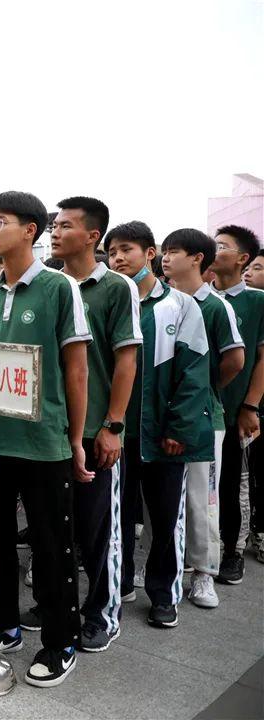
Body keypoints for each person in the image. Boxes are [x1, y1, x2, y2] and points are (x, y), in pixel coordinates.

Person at [0, 191, 91, 688]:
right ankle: (2, 626)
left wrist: (75, 438)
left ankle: (61, 640)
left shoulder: (59, 288)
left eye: (1, 222)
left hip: (42, 441)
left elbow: (76, 370)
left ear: (30, 230)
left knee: (51, 544)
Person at [106, 221, 212, 631]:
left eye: (126, 249)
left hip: (164, 436)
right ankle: (120, 584)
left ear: (150, 253)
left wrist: (179, 429)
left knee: (166, 520)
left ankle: (164, 594)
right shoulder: (110, 300)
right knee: (115, 519)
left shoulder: (180, 306)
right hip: (115, 434)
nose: (118, 258)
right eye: (112, 251)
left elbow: (195, 372)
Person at [48, 197, 141, 651]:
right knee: (57, 528)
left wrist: (113, 425)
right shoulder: (50, 285)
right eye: (53, 224)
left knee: (100, 530)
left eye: (65, 225)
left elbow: (126, 361)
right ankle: (58, 606)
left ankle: (103, 612)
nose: (55, 232)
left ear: (92, 236)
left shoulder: (116, 288)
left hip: (96, 429)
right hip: (53, 429)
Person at [161, 228, 245, 605]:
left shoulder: (215, 306)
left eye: (174, 251)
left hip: (204, 418)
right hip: (162, 414)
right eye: (164, 251)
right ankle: (167, 566)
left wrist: (206, 390)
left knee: (202, 497)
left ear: (198, 258)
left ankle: (204, 572)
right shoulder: (161, 302)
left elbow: (234, 360)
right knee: (162, 498)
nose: (166, 258)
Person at [210, 226, 264, 583]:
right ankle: (196, 550)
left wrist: (250, 406)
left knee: (230, 484)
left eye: (221, 246)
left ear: (242, 258)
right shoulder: (196, 297)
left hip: (232, 411)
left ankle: (232, 551)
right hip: (193, 409)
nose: (213, 250)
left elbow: (261, 359)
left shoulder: (257, 302)